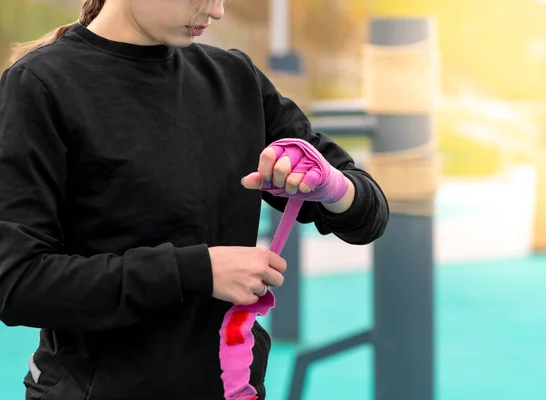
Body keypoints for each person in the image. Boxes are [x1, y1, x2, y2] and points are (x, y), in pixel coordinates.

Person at [0, 0, 389, 399]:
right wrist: (196, 271)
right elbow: (17, 283)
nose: (218, 11)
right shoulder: (40, 84)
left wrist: (335, 188)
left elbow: (369, 217)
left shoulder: (236, 79)